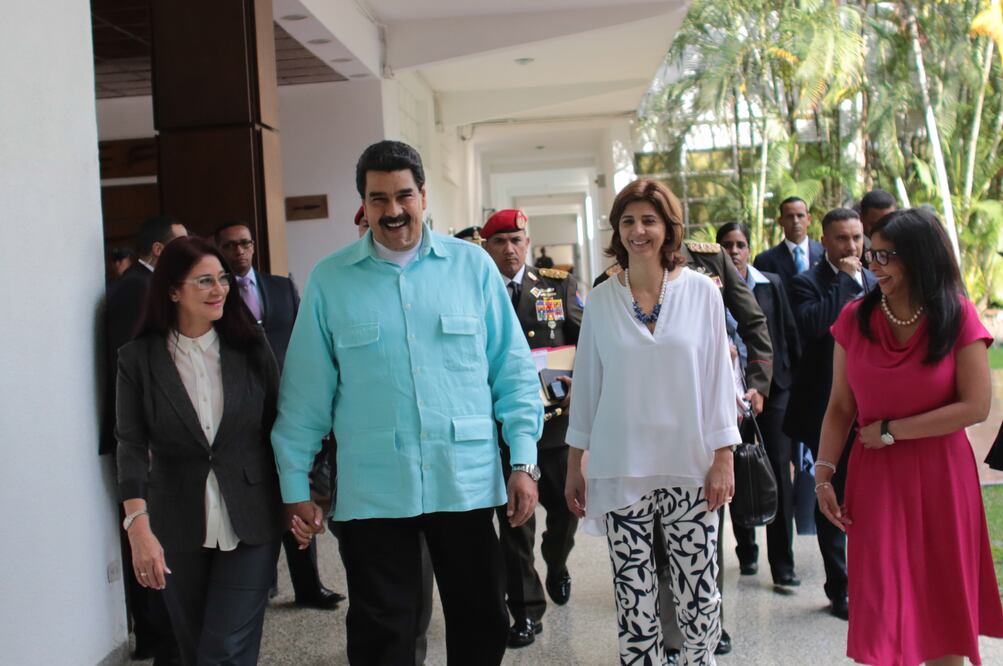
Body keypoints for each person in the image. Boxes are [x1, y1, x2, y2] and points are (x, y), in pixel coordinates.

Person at [271, 140, 543, 666]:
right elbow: (305, 396)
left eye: (403, 196)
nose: (392, 211)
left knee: (481, 621)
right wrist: (295, 486)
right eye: (378, 199)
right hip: (376, 489)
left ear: (423, 195)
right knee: (382, 633)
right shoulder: (332, 280)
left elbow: (512, 373)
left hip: (462, 481)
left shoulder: (473, 269)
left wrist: (524, 463)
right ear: (364, 204)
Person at [816, 209, 1003, 665]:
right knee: (882, 610)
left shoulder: (956, 315)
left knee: (942, 612)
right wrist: (823, 474)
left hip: (943, 476)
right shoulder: (854, 318)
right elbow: (840, 406)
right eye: (870, 253)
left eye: (884, 255)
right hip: (876, 481)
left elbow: (975, 407)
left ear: (919, 258)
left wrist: (891, 431)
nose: (872, 263)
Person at [566, 179, 739, 665]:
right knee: (634, 606)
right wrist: (574, 463)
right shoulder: (601, 300)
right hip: (621, 469)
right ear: (617, 231)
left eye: (648, 220)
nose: (638, 230)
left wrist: (723, 456)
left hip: (691, 467)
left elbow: (717, 379)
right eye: (628, 221)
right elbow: (588, 387)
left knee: (700, 604)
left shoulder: (702, 292)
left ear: (668, 228)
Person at [116, 236, 286, 665]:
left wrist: (298, 497)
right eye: (205, 281)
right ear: (173, 290)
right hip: (177, 522)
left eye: (223, 279)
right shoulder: (137, 360)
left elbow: (279, 425)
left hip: (252, 517)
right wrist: (138, 527)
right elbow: (131, 445)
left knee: (221, 650)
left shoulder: (250, 347)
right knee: (197, 653)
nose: (220, 289)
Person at [214, 220, 344, 611]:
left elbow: (307, 341)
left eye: (245, 244)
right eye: (230, 245)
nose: (239, 252)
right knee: (260, 497)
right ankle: (263, 582)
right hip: (243, 412)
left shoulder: (280, 287)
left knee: (297, 490)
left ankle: (309, 586)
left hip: (289, 404)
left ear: (254, 247)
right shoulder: (216, 293)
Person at [481, 209, 582, 648]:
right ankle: (524, 610)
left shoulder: (557, 285)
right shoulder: (477, 290)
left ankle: (557, 563)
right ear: (487, 247)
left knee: (564, 513)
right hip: (503, 427)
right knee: (515, 522)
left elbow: (587, 339)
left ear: (528, 241)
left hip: (555, 427)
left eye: (516, 239)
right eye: (500, 241)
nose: (509, 248)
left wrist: (581, 380)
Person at [103, 215, 187, 664]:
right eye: (181, 242)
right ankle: (158, 633)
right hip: (146, 436)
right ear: (158, 251)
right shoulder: (138, 288)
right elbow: (133, 367)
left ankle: (161, 629)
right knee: (149, 532)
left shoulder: (141, 285)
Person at [784, 207, 874, 620]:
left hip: (873, 409)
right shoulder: (806, 284)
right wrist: (843, 282)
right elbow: (814, 328)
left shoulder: (878, 279)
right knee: (831, 496)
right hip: (826, 410)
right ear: (824, 240)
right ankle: (841, 588)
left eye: (857, 238)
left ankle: (873, 581)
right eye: (842, 239)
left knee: (872, 498)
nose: (852, 247)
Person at [716, 222, 801, 587]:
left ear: (749, 249)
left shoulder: (770, 283)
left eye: (740, 245)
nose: (734, 251)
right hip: (728, 392)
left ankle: (783, 564)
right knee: (735, 467)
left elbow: (785, 334)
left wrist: (785, 383)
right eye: (727, 246)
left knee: (778, 471)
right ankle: (746, 551)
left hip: (772, 390)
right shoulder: (708, 286)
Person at [753, 196, 825, 286]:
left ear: (809, 219)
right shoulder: (764, 261)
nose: (795, 221)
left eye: (800, 215)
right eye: (790, 217)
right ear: (780, 221)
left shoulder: (826, 254)